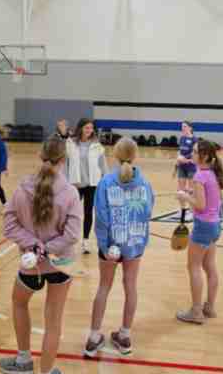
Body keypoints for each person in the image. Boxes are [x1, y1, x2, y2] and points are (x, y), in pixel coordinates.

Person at [0, 138, 82, 374]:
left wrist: (34, 246)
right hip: (61, 265)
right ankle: (46, 372)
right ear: (63, 160)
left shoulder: (22, 188)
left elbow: (9, 226)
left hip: (31, 264)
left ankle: (24, 360)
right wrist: (47, 248)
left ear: (40, 156)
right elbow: (73, 235)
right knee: (53, 322)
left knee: (18, 303)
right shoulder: (70, 193)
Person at [83, 138, 154, 358]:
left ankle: (94, 338)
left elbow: (102, 218)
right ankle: (124, 337)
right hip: (134, 244)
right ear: (135, 156)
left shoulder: (106, 182)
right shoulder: (145, 184)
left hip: (110, 246)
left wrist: (106, 246)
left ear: (115, 155)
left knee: (104, 287)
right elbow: (147, 212)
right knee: (130, 286)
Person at [175, 140, 223, 325]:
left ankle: (196, 312)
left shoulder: (199, 176)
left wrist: (185, 196)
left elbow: (200, 205)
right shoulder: (212, 173)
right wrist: (194, 192)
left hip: (203, 227)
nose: (192, 153)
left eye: (196, 151)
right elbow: (211, 198)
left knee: (194, 267)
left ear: (204, 156)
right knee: (210, 268)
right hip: (214, 227)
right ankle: (210, 307)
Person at [65, 119, 106, 254]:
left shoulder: (97, 145)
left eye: (91, 128)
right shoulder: (70, 143)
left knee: (88, 213)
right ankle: (67, 240)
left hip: (92, 184)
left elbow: (103, 165)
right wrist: (65, 181)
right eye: (87, 128)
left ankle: (85, 241)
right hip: (75, 184)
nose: (89, 130)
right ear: (80, 128)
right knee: (71, 214)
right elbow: (66, 164)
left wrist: (106, 181)